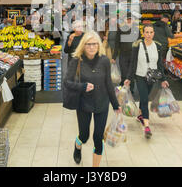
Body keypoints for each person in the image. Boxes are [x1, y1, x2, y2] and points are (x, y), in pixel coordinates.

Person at [64, 31, 121, 167]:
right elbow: (67, 82)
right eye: (88, 44)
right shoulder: (76, 60)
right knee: (84, 136)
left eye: (94, 44)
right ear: (83, 46)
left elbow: (108, 83)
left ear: (99, 45)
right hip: (84, 103)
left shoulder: (104, 60)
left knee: (98, 137)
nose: (91, 47)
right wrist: (82, 86)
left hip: (102, 103)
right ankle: (77, 146)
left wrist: (115, 105)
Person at [124, 24, 169, 139]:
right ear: (143, 33)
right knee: (144, 98)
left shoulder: (158, 46)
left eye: (151, 32)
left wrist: (163, 79)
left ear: (154, 33)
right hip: (140, 76)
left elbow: (159, 64)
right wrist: (129, 77)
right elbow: (133, 63)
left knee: (145, 98)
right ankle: (147, 126)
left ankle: (140, 114)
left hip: (152, 77)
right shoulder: (137, 45)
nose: (149, 35)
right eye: (147, 32)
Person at [114, 15, 139, 91]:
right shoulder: (120, 30)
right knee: (124, 74)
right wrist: (114, 57)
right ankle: (123, 90)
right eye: (127, 19)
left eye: (130, 19)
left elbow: (140, 42)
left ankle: (131, 91)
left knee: (131, 74)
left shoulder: (136, 30)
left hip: (133, 56)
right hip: (123, 55)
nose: (129, 21)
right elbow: (117, 43)